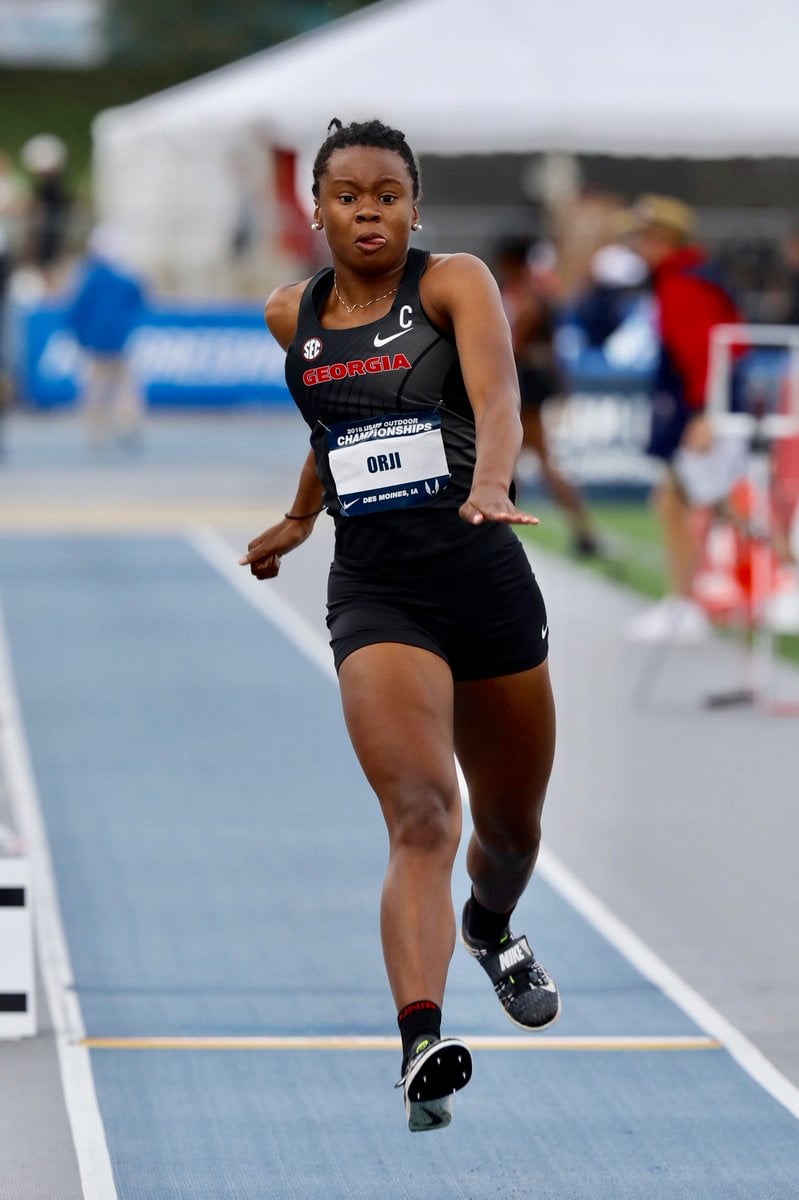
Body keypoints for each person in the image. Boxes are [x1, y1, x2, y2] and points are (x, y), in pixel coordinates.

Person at [240, 119, 560, 1133]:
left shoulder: (454, 282)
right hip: (379, 594)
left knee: (509, 833)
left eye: (387, 195)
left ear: (414, 208)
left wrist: (492, 480)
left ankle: (490, 925)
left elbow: (498, 397)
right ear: (317, 208)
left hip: (484, 579)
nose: (367, 212)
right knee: (422, 814)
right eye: (347, 196)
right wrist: (300, 518)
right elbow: (337, 427)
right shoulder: (291, 313)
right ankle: (423, 1041)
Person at [624, 194, 746, 643]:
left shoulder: (683, 284)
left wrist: (704, 415)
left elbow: (707, 354)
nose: (638, 247)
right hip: (713, 409)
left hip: (708, 413)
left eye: (644, 238)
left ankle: (683, 605)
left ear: (663, 239)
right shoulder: (684, 278)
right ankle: (685, 603)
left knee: (677, 501)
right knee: (720, 502)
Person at [494, 239, 602, 557]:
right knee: (518, 460)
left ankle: (583, 532)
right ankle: (581, 532)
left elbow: (514, 344)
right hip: (527, 385)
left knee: (521, 459)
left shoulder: (526, 298)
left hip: (523, 387)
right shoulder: (532, 294)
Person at [64, 225, 147, 447]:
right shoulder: (126, 277)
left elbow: (76, 310)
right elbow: (140, 300)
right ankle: (126, 421)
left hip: (96, 340)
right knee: (124, 383)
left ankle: (97, 430)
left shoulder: (88, 277)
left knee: (97, 385)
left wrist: (81, 336)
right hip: (120, 339)